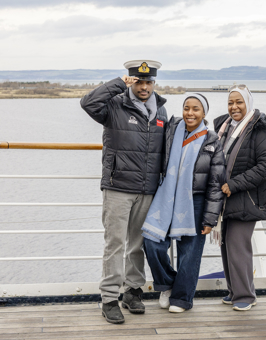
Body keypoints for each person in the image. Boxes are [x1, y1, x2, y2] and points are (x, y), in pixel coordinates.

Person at [80, 60, 167, 324]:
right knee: (115, 244)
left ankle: (132, 291)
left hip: (148, 189)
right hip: (118, 187)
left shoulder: (161, 112)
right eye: (138, 81)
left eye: (148, 81)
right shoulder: (114, 106)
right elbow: (87, 103)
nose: (144, 86)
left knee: (137, 245)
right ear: (130, 81)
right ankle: (108, 299)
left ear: (154, 83)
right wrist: (118, 84)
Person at [142, 93, 225, 313]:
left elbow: (216, 182)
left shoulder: (212, 140)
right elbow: (152, 108)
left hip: (195, 201)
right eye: (186, 108)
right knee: (151, 241)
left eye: (195, 109)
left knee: (190, 253)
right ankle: (167, 284)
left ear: (204, 113)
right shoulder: (172, 130)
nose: (190, 113)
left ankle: (182, 299)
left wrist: (210, 217)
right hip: (166, 195)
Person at [213, 85, 266, 311]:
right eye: (231, 102)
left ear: (248, 102)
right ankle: (234, 291)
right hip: (225, 197)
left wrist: (234, 184)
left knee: (237, 245)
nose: (234, 107)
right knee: (226, 245)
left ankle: (245, 295)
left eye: (239, 102)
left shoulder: (261, 129)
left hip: (247, 196)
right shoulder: (224, 127)